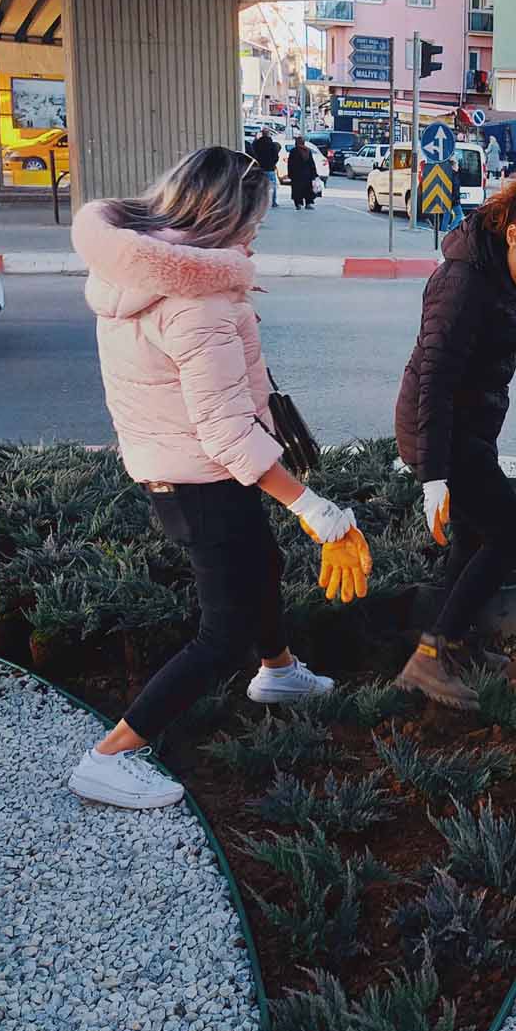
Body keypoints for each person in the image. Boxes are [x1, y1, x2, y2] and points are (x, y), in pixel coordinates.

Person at [67, 146, 366, 810]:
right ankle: (112, 754)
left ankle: (279, 671)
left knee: (260, 563)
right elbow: (228, 433)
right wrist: (314, 507)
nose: (258, 233)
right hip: (200, 480)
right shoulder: (195, 301)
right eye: (255, 218)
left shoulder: (133, 272)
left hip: (172, 468)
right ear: (225, 216)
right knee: (220, 632)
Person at [395, 176, 516, 707]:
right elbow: (434, 382)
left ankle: (450, 644)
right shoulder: (461, 284)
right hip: (442, 431)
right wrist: (433, 475)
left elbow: (514, 328)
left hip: (473, 426)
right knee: (511, 539)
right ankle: (428, 661)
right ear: (512, 231)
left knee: (474, 539)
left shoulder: (508, 272)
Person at [250, 128, 280, 207]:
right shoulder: (272, 144)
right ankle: (273, 202)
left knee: (260, 186)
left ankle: (260, 202)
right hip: (270, 168)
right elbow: (276, 157)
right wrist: (273, 163)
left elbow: (252, 153)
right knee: (272, 186)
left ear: (262, 134)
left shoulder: (257, 144)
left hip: (260, 168)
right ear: (268, 134)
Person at [287, 134, 316, 210]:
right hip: (307, 174)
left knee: (297, 190)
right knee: (308, 190)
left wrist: (290, 174)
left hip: (296, 175)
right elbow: (311, 163)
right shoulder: (308, 150)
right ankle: (308, 204)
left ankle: (298, 204)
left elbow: (290, 163)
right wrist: (314, 174)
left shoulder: (293, 151)